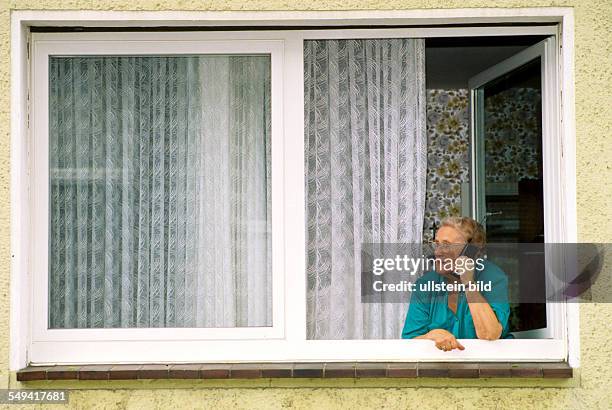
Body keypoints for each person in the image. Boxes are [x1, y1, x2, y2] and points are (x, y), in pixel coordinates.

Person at [401, 216, 511, 351]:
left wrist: (468, 283)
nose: (437, 252)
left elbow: (489, 333)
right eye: (437, 244)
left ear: (470, 251)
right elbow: (409, 343)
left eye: (446, 245)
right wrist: (431, 335)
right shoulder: (424, 285)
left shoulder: (492, 277)